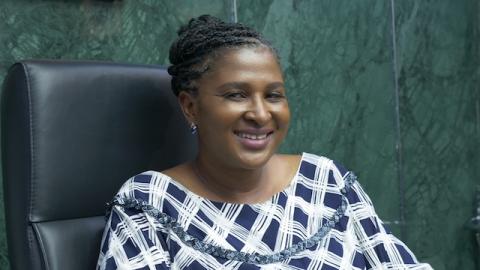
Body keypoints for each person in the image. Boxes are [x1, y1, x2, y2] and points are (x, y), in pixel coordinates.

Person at [96, 15, 432, 270]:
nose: (260, 114)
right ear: (190, 106)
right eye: (236, 95)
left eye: (273, 96)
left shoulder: (326, 182)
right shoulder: (148, 202)